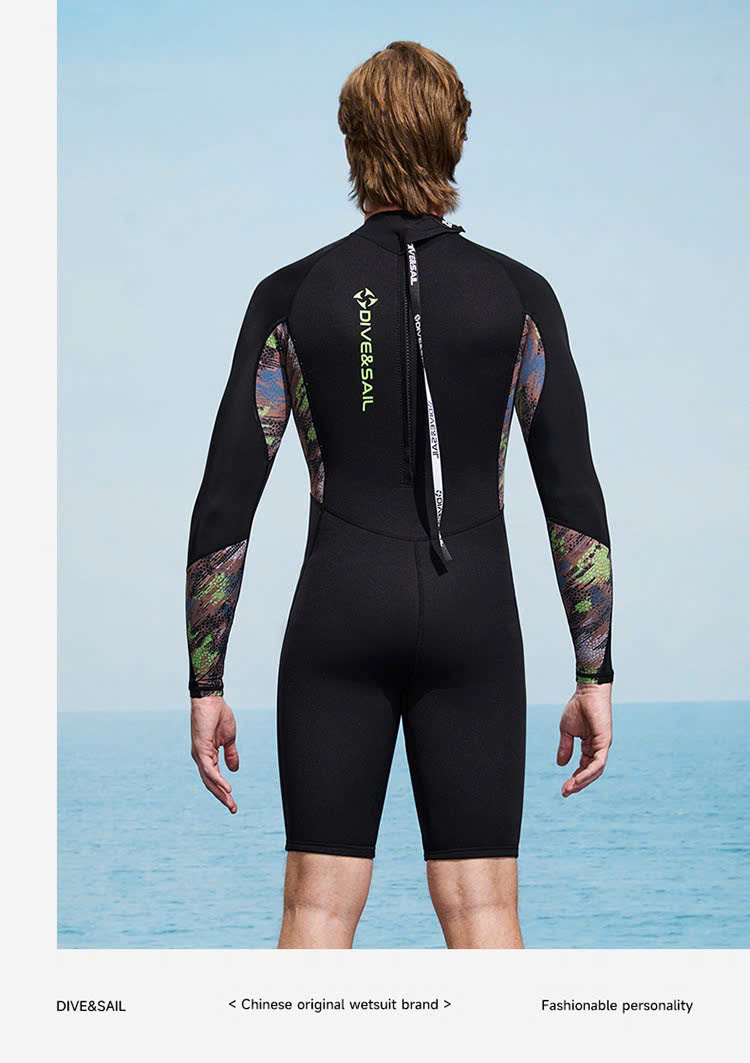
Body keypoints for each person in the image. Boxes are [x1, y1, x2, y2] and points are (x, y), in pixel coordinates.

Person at [185, 40, 614, 949]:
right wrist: (594, 673)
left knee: (316, 910)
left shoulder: (291, 296)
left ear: (352, 144)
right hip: (475, 619)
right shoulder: (519, 295)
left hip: (338, 614)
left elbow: (225, 503)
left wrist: (205, 681)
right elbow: (572, 500)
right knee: (485, 910)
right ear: (455, 139)